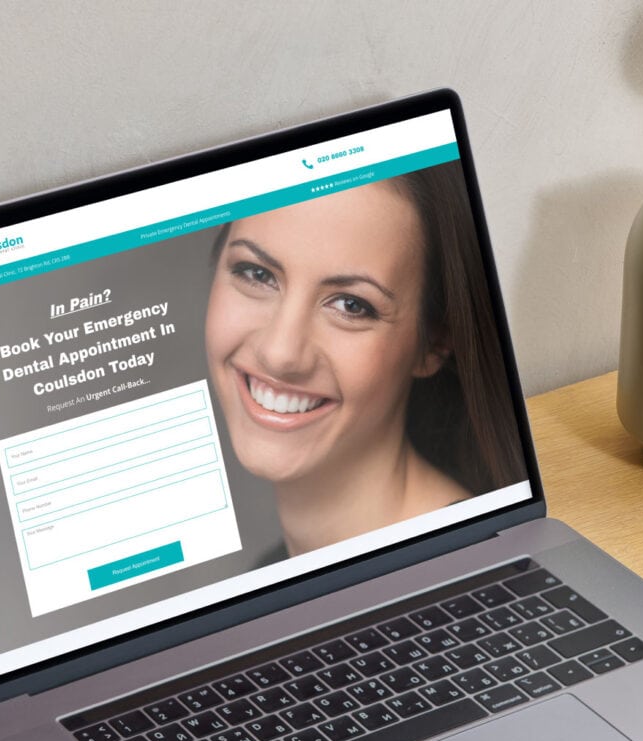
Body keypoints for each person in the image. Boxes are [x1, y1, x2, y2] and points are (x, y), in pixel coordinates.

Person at [204, 161, 525, 557]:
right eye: (257, 274)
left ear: (434, 344)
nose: (280, 352)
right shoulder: (274, 573)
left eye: (351, 305)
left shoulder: (476, 570)